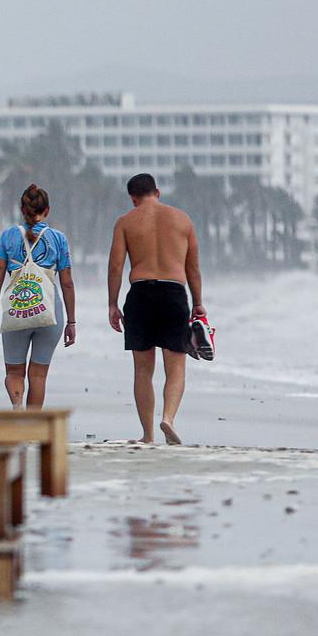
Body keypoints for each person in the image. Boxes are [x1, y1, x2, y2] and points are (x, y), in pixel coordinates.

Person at [107, 172, 203, 445]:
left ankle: (148, 435)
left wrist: (113, 304)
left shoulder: (125, 221)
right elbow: (192, 267)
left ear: (133, 198)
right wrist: (197, 303)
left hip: (140, 294)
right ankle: (168, 418)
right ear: (157, 192)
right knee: (175, 366)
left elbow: (115, 266)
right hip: (173, 292)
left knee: (142, 369)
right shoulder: (182, 219)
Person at [0, 184, 76, 409]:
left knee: (14, 372)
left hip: (17, 307)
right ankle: (32, 427)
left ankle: (17, 405)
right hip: (49, 309)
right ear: (47, 210)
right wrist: (71, 322)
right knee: (38, 376)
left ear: (22, 210)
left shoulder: (8, 236)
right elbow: (67, 282)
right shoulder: (58, 238)